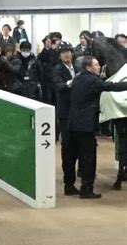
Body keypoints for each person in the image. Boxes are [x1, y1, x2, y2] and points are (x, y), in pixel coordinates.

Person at [67, 56, 127, 199]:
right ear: (89, 67)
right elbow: (111, 87)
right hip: (86, 126)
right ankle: (86, 189)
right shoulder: (92, 80)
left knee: (72, 156)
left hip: (73, 123)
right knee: (89, 158)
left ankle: (69, 186)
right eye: (97, 65)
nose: (100, 66)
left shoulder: (78, 78)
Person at [52, 42, 78, 195]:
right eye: (63, 52)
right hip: (65, 113)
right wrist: (72, 82)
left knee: (78, 146)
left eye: (68, 51)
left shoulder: (78, 67)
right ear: (60, 55)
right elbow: (59, 86)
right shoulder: (57, 70)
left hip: (78, 112)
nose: (66, 54)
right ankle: (69, 183)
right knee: (67, 148)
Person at [38, 35, 60, 105]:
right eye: (50, 41)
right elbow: (43, 59)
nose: (53, 42)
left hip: (57, 78)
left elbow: (56, 62)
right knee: (47, 98)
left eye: (55, 40)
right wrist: (49, 48)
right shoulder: (45, 51)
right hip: (46, 79)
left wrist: (54, 49)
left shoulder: (60, 51)